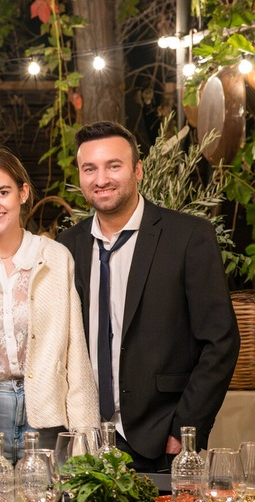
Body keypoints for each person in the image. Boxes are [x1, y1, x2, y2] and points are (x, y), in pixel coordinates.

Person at [58, 121, 238, 471]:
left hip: (159, 438)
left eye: (113, 166)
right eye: (89, 169)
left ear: (137, 170)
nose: (101, 179)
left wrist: (186, 429)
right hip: (85, 439)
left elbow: (221, 342)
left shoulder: (188, 237)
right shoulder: (66, 246)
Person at [0, 146, 99, 465]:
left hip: (49, 410)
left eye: (2, 192)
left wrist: (86, 439)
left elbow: (75, 352)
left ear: (23, 193)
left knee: (47, 496)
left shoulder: (56, 257)